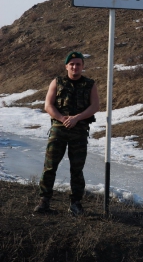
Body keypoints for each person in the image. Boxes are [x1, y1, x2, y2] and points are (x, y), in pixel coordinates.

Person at [34, 51, 100, 216]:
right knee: (50, 166)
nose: (75, 67)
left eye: (78, 64)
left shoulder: (90, 84)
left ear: (82, 66)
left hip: (79, 131)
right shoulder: (57, 82)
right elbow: (48, 105)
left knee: (77, 169)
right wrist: (63, 119)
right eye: (72, 64)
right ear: (66, 66)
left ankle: (76, 203)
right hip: (59, 130)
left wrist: (77, 118)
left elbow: (95, 106)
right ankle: (44, 201)